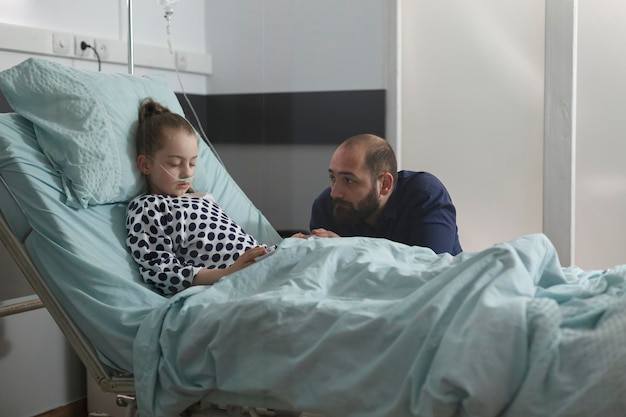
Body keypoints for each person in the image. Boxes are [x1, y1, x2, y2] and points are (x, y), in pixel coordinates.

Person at [125, 98, 272, 296]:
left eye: (192, 163)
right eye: (175, 164)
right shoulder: (149, 207)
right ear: (145, 165)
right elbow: (161, 272)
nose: (187, 173)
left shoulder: (204, 198)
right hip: (240, 279)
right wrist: (227, 273)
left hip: (267, 261)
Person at [309, 134, 462, 255]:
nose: (335, 193)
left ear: (384, 184)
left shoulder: (424, 195)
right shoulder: (326, 207)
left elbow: (429, 270)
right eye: (333, 178)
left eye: (349, 181)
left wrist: (348, 251)